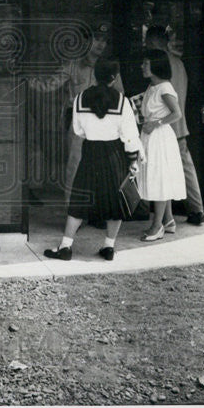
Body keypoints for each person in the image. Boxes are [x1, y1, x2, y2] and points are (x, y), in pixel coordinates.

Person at [43, 59, 144, 261]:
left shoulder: (80, 99)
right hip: (114, 153)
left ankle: (65, 246)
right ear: (114, 79)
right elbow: (130, 137)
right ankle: (108, 247)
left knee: (79, 199)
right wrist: (133, 160)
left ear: (95, 75)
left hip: (89, 152)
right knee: (115, 201)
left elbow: (78, 130)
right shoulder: (123, 102)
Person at [30, 22, 116, 202]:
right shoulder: (72, 65)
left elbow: (120, 95)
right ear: (85, 41)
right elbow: (48, 85)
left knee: (102, 167)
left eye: (104, 41)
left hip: (104, 122)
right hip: (78, 122)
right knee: (75, 167)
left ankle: (97, 211)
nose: (101, 44)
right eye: (96, 39)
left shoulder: (109, 66)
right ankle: (74, 212)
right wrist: (26, 80)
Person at [144, 25, 204, 226]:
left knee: (164, 170)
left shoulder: (160, 66)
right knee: (183, 167)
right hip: (179, 126)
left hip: (165, 129)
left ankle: (161, 214)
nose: (145, 45)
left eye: (147, 41)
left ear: (154, 43)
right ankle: (194, 210)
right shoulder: (178, 63)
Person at [137, 49, 186, 241]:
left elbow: (177, 114)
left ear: (156, 66)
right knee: (159, 177)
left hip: (160, 138)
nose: (142, 66)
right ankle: (169, 220)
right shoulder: (153, 86)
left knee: (159, 179)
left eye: (146, 63)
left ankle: (157, 226)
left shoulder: (165, 88)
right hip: (151, 137)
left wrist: (155, 123)